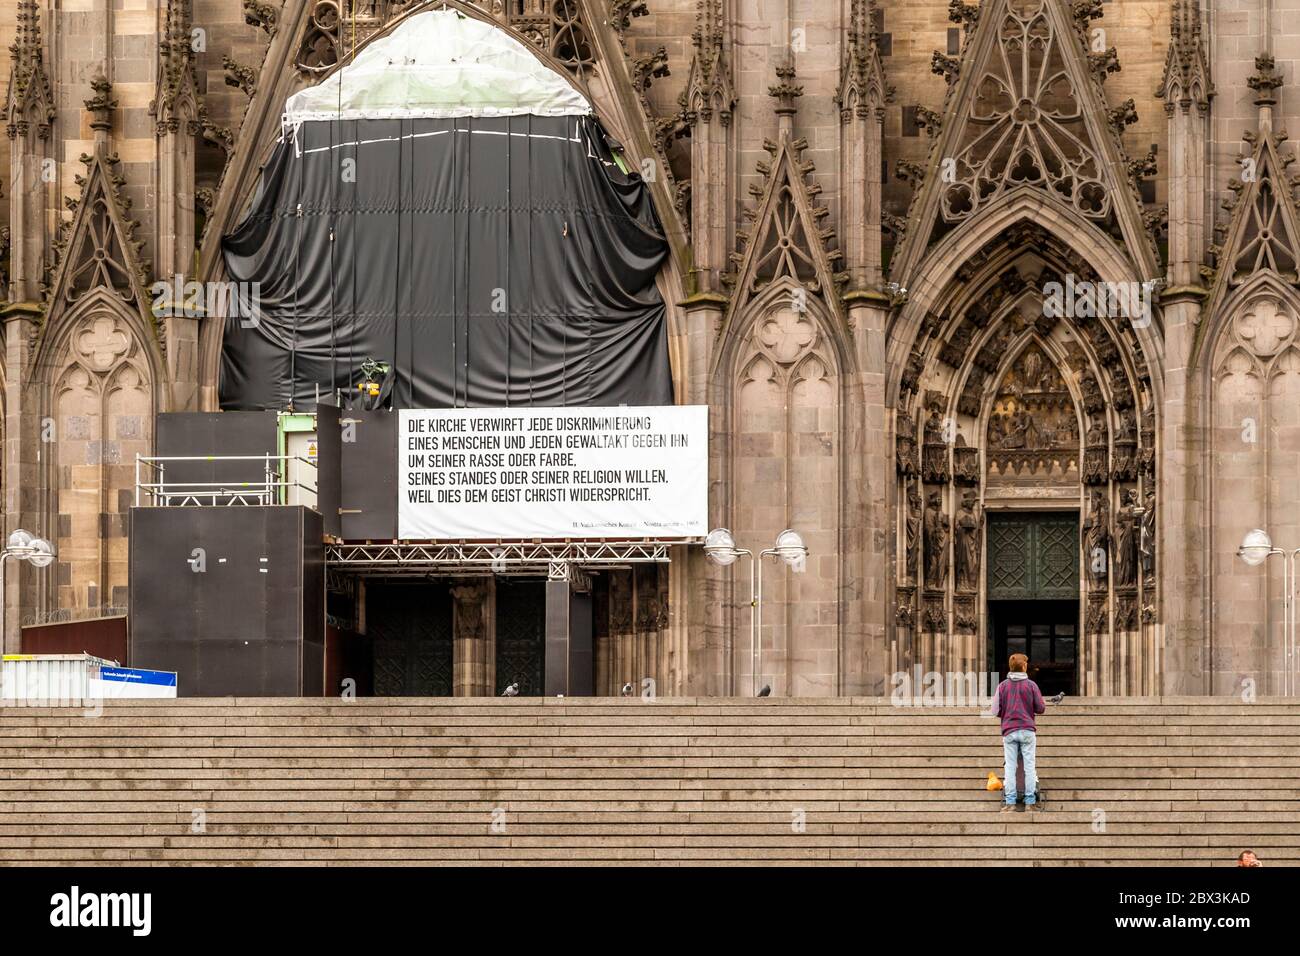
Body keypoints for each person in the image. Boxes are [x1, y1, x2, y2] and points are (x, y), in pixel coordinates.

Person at [990, 653, 1046, 812]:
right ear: (1023, 667)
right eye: (1026, 663)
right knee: (1029, 767)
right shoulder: (1031, 685)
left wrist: (1007, 713)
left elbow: (995, 710)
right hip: (1027, 729)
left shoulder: (1002, 686)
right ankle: (1029, 802)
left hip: (1009, 730)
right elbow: (1041, 708)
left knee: (1010, 767)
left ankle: (1010, 803)